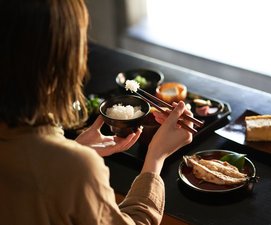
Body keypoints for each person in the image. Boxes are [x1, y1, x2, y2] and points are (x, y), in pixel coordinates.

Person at [0, 0, 194, 224]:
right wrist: (155, 157)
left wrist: (73, 149)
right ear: (59, 60)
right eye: (80, 41)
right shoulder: (79, 169)